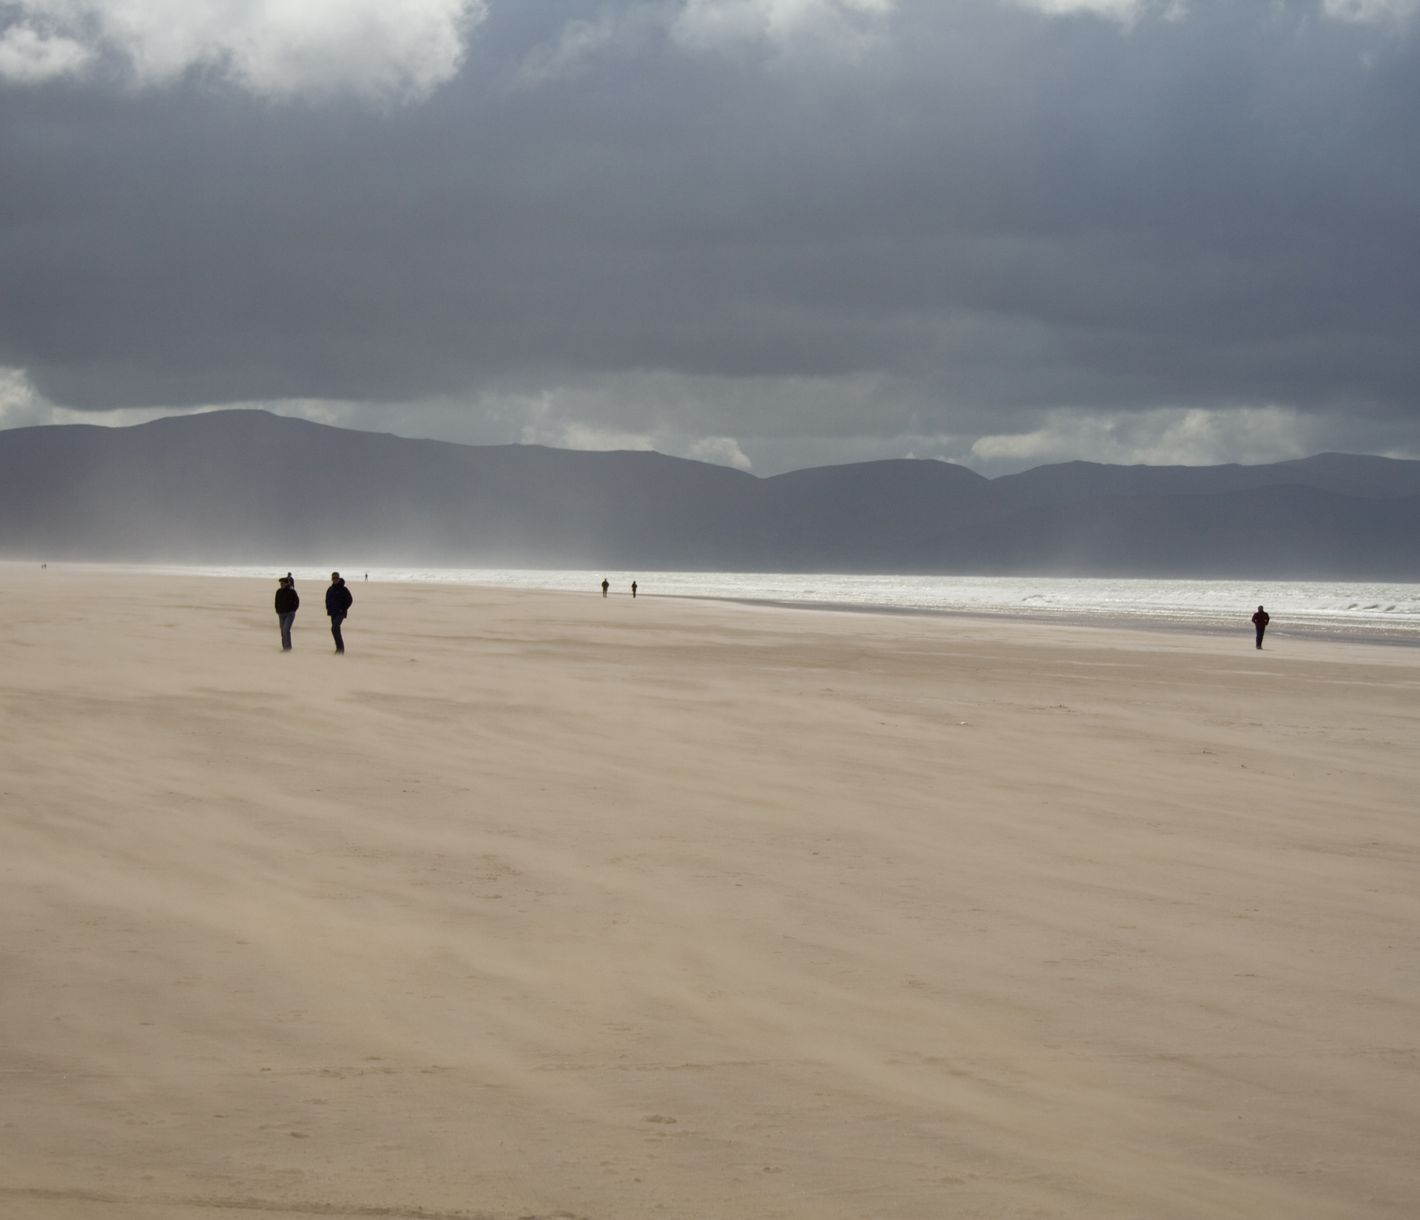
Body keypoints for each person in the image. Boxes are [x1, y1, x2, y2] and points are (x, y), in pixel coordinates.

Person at [326, 571, 354, 653]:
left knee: (334, 627)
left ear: (339, 578)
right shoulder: (330, 589)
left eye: (336, 578)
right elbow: (327, 599)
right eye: (333, 578)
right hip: (333, 613)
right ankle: (339, 648)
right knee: (335, 630)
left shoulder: (344, 589)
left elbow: (350, 600)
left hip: (340, 613)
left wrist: (343, 608)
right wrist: (328, 608)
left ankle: (340, 649)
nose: (335, 580)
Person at [275, 576, 299, 651]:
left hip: (289, 614)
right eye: (280, 583)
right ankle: (285, 647)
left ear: (286, 584)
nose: (281, 585)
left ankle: (287, 648)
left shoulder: (291, 591)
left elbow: (297, 602)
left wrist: (293, 610)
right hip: (281, 614)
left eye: (282, 583)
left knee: (285, 629)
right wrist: (277, 610)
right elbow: (276, 602)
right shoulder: (278, 591)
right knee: (283, 631)